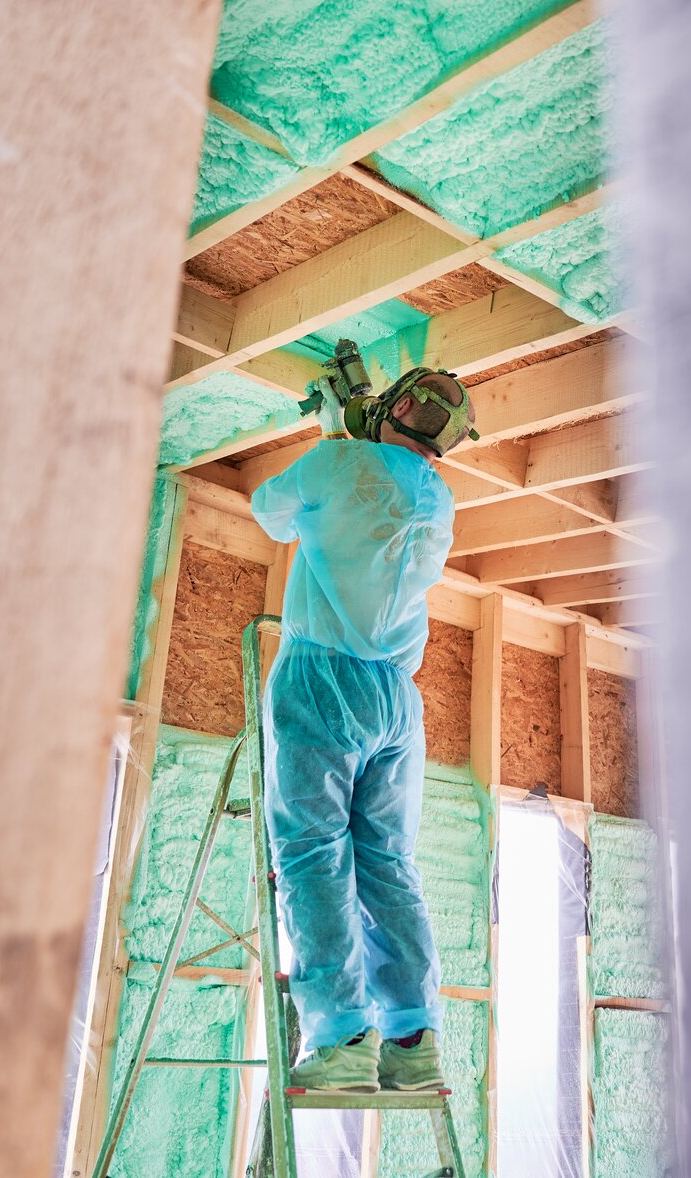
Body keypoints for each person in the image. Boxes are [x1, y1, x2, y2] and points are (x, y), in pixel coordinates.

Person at [248, 366, 477, 1093]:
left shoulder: (334, 462)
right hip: (395, 700)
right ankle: (412, 1040)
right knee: (386, 861)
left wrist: (332, 435)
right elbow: (369, 511)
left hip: (324, 681)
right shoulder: (439, 497)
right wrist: (346, 443)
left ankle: (342, 1035)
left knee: (314, 852)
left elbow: (268, 510)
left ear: (401, 404)